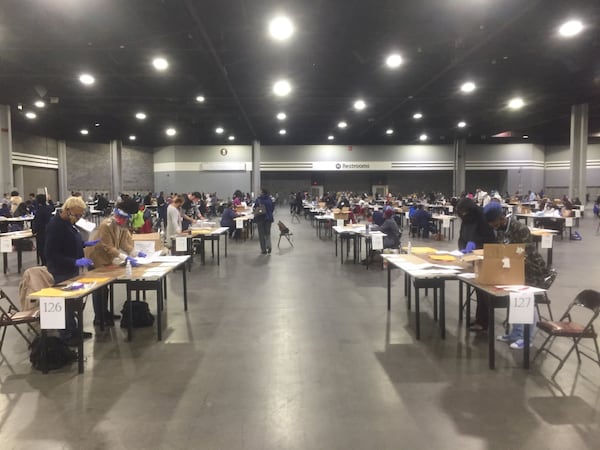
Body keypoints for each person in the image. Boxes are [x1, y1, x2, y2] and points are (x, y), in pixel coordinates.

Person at [483, 203, 548, 349]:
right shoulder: (500, 230)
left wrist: (508, 258)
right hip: (514, 271)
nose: (492, 226)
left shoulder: (520, 229)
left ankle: (527, 338)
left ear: (500, 218)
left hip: (532, 270)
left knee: (527, 302)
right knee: (514, 301)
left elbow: (525, 253)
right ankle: (516, 334)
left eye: (493, 223)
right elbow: (502, 250)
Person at [44, 196, 97, 343]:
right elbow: (51, 254)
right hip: (61, 270)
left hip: (72, 269)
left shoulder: (68, 223)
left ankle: (74, 330)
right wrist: (74, 261)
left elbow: (71, 241)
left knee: (73, 303)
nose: (79, 218)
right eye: (77, 215)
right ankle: (66, 335)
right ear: (67, 211)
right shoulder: (55, 226)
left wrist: (84, 244)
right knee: (65, 303)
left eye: (81, 215)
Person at [87, 199, 144, 326]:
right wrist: (125, 258)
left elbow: (124, 243)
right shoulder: (106, 225)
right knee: (99, 288)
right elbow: (108, 247)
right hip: (96, 257)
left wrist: (135, 253)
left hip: (107, 258)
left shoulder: (122, 226)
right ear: (118, 215)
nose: (125, 221)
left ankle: (105, 313)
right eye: (124, 218)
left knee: (105, 288)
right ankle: (98, 317)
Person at [455, 197, 496, 331]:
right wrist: (462, 248)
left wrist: (475, 245)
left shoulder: (482, 219)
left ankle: (484, 322)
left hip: (485, 259)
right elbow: (462, 237)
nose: (463, 215)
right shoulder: (466, 220)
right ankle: (480, 319)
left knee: (483, 292)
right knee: (478, 290)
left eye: (464, 212)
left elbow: (489, 240)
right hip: (471, 258)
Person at [31, 194, 55, 265]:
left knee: (41, 248)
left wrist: (34, 230)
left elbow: (36, 222)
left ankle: (44, 263)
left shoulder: (39, 210)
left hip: (41, 232)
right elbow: (53, 207)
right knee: (48, 247)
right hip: (49, 231)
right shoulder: (48, 208)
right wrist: (50, 200)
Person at [254, 188, 275, 254]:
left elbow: (255, 208)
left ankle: (263, 250)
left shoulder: (259, 200)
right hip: (269, 218)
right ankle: (269, 247)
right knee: (267, 234)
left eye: (260, 192)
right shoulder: (270, 199)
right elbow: (272, 208)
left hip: (260, 218)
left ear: (262, 193)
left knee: (261, 235)